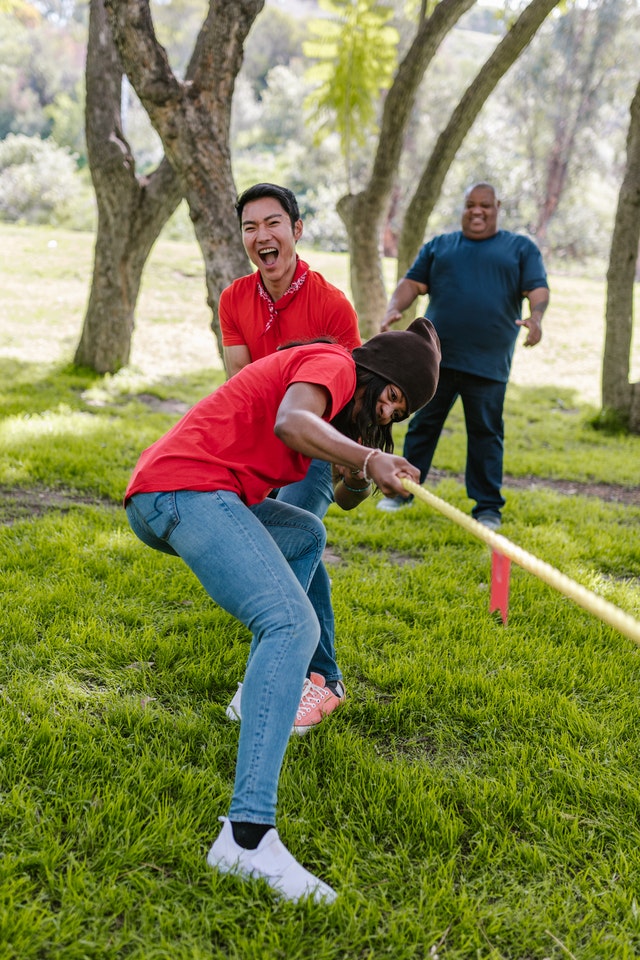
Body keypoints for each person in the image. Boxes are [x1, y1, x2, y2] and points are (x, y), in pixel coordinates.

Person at [124, 319, 441, 902]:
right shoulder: (335, 364)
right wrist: (368, 457)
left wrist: (360, 470)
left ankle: (259, 688)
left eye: (402, 410)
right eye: (394, 395)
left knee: (304, 532)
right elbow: (290, 422)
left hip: (174, 493)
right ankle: (246, 841)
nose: (391, 413)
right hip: (182, 490)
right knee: (293, 623)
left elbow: (344, 495)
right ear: (375, 372)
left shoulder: (345, 410)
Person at [220, 183, 362, 732]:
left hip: (315, 449)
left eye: (273, 223)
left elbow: (344, 394)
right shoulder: (234, 299)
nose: (262, 236)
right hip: (262, 446)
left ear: (297, 230)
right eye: (251, 227)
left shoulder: (331, 304)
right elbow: (239, 383)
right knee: (292, 543)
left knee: (298, 535)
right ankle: (319, 676)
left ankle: (308, 678)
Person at [377, 181, 550, 529]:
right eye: (470, 204)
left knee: (486, 434)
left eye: (485, 205)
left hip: (488, 363)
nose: (477, 211)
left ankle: (487, 509)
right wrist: (393, 308)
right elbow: (412, 283)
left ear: (497, 207)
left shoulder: (519, 248)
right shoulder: (441, 246)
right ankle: (402, 491)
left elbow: (538, 289)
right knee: (423, 426)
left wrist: (536, 318)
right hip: (435, 360)